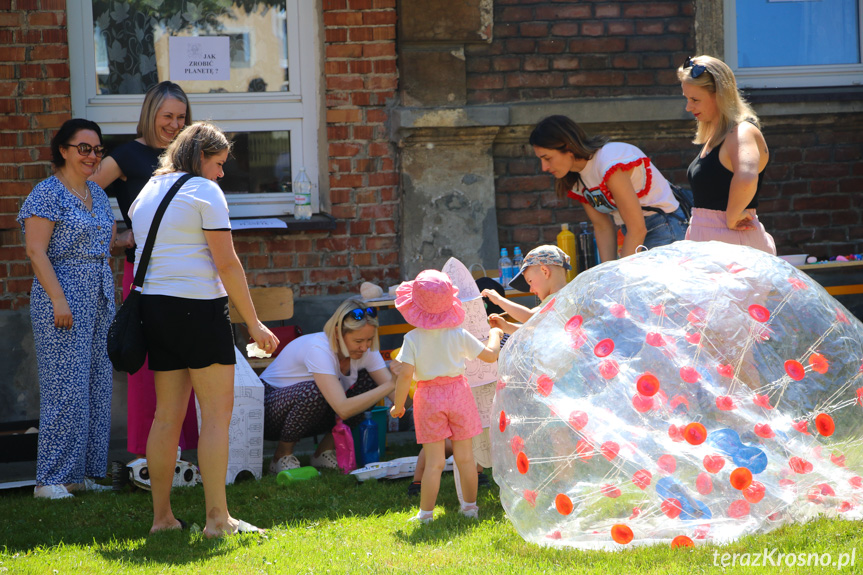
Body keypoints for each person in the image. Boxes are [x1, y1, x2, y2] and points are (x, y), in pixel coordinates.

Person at [129, 122, 279, 536]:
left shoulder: (148, 190)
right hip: (198, 309)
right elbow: (226, 263)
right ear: (199, 158)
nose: (222, 173)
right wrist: (254, 323)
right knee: (216, 416)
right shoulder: (204, 191)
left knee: (166, 417)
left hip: (155, 310)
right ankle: (218, 519)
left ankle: (162, 519)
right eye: (218, 163)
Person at [90, 81, 196, 458]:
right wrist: (117, 236)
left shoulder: (188, 157)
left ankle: (183, 451)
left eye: (181, 117)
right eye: (167, 115)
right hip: (144, 276)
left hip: (188, 274)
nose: (173, 124)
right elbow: (77, 195)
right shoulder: (126, 157)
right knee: (147, 368)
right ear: (150, 114)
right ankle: (143, 455)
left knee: (184, 362)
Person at [18, 119, 117, 499]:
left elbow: (103, 245)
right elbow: (35, 251)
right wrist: (60, 299)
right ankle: (51, 479)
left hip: (98, 296)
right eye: (84, 148)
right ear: (63, 150)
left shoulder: (96, 194)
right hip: (61, 297)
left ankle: (82, 475)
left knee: (96, 386)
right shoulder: (47, 193)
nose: (92, 156)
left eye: (97, 150)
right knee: (66, 388)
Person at [390, 270, 503, 523]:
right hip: (459, 394)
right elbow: (489, 355)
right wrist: (495, 334)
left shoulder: (413, 339)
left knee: (434, 462)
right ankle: (470, 508)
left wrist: (398, 405)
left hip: (428, 397)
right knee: (466, 458)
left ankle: (426, 514)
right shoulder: (458, 334)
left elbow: (405, 375)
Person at [261, 299, 399, 473]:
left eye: (370, 339)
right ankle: (281, 457)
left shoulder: (365, 350)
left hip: (310, 413)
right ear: (337, 334)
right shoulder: (318, 348)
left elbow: (400, 401)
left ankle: (323, 453)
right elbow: (343, 409)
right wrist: (391, 384)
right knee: (314, 392)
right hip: (267, 412)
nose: (365, 347)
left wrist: (410, 374)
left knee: (369, 384)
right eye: (358, 341)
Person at [530, 115, 687, 262]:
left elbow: (637, 228)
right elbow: (602, 227)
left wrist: (618, 276)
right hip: (634, 232)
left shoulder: (608, 161)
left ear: (568, 148)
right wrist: (607, 274)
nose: (544, 167)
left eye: (547, 158)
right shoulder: (577, 179)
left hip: (663, 227)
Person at [677, 55, 776, 255]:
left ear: (720, 95)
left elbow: (747, 177)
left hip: (730, 242)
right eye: (687, 98)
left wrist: (731, 217)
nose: (688, 107)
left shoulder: (742, 131)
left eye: (695, 99)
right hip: (715, 241)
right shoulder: (720, 136)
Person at [482, 245, 571, 335]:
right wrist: (506, 327)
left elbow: (530, 317)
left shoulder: (559, 299)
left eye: (530, 281)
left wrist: (498, 300)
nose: (531, 290)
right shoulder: (567, 296)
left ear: (545, 271)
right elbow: (536, 330)